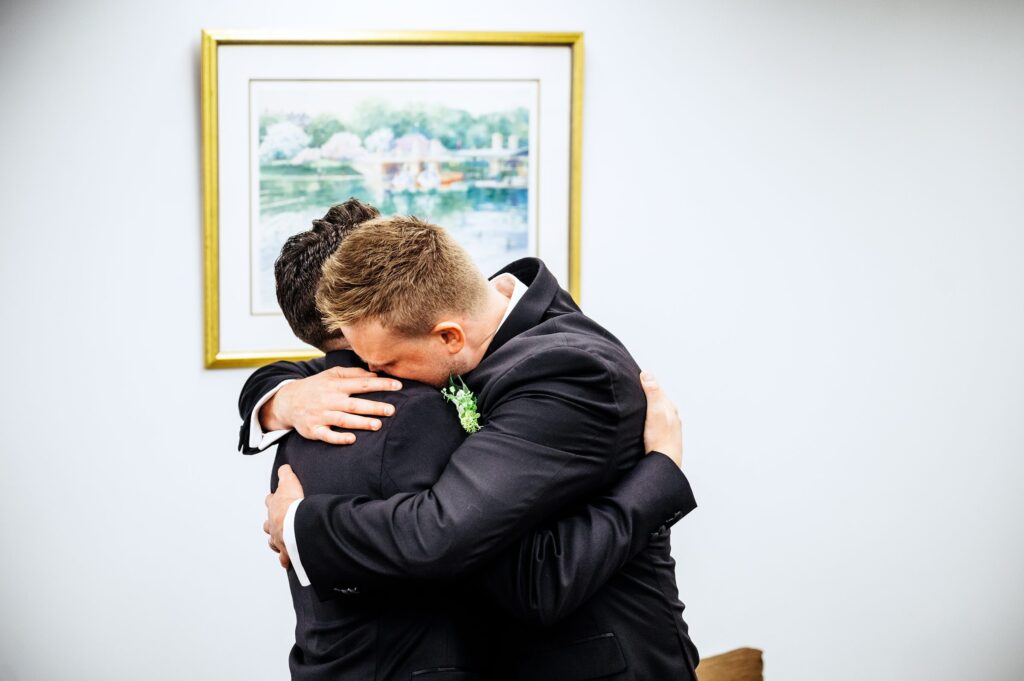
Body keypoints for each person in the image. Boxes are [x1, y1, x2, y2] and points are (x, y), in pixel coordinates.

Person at [252, 200, 697, 680]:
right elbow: (312, 370)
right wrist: (283, 399)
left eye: (383, 365)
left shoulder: (569, 372)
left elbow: (458, 540)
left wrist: (297, 524)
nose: (373, 376)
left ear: (448, 338)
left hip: (604, 664)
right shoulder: (467, 318)